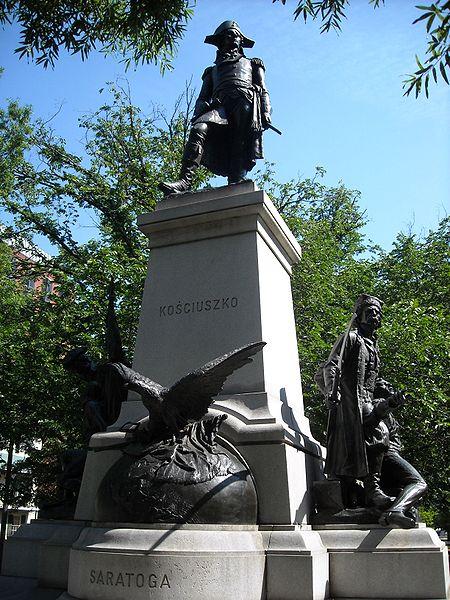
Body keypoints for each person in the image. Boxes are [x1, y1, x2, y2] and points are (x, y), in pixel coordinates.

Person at [317, 294, 427, 526]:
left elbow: (371, 378)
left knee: (382, 431)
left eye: (378, 312)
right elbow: (332, 366)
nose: (375, 316)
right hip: (352, 402)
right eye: (370, 311)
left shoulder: (372, 346)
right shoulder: (352, 338)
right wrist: (331, 391)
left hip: (367, 399)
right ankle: (372, 490)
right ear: (359, 315)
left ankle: (374, 492)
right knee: (379, 433)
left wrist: (386, 392)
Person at [159, 20, 272, 195]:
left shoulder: (253, 64)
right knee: (199, 128)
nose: (233, 38)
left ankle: (236, 178)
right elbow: (202, 98)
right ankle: (184, 181)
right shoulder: (211, 71)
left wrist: (266, 111)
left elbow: (264, 90)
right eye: (229, 35)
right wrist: (203, 108)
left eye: (236, 35)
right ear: (220, 40)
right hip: (220, 108)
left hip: (245, 103)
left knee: (239, 139)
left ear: (241, 41)